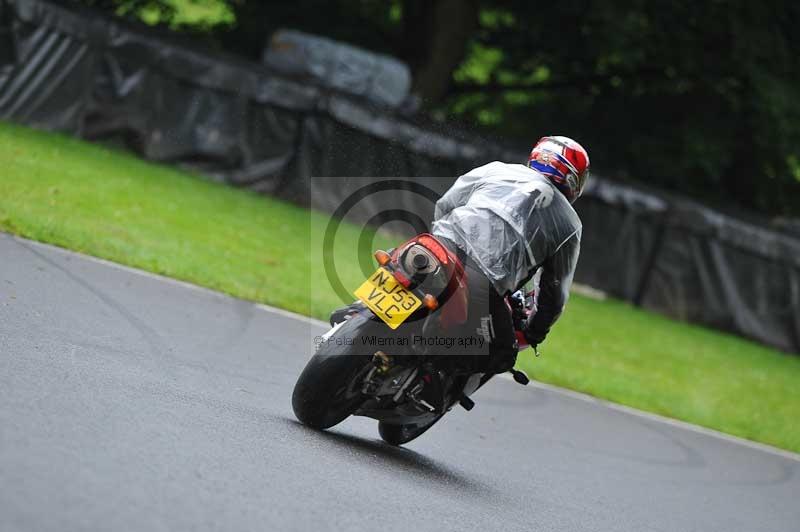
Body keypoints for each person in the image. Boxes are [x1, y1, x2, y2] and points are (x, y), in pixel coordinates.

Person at [431, 135, 589, 373]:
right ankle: (429, 376)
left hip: (435, 246)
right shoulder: (568, 223)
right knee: (502, 354)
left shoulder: (497, 169)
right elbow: (554, 291)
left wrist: (438, 236)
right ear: (571, 177)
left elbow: (446, 203)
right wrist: (536, 330)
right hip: (481, 282)